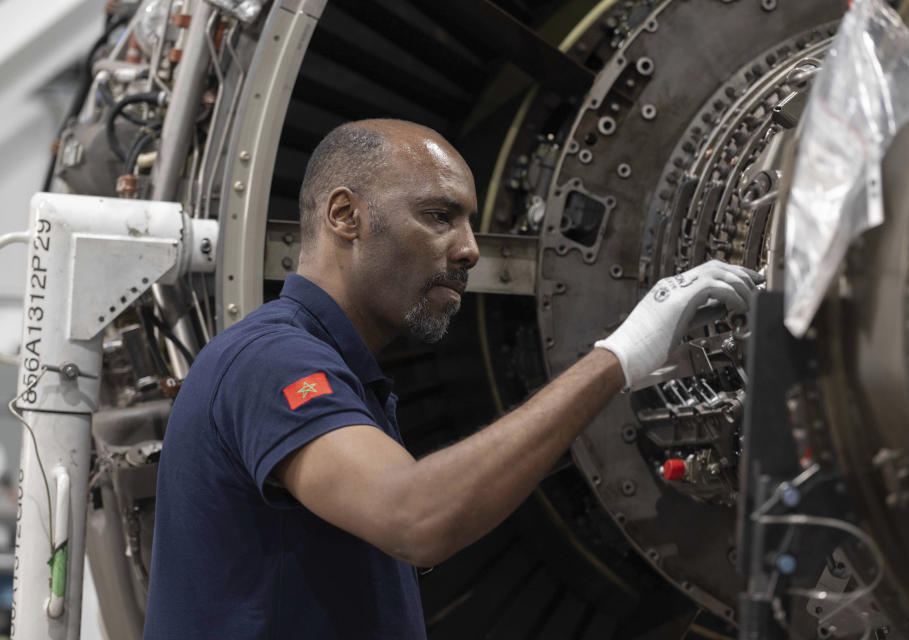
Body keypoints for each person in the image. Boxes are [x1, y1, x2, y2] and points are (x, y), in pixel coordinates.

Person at [143, 119, 761, 639]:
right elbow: (415, 516)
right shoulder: (270, 358)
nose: (469, 250)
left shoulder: (344, 378)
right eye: (439, 215)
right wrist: (622, 355)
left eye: (468, 222)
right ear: (344, 215)